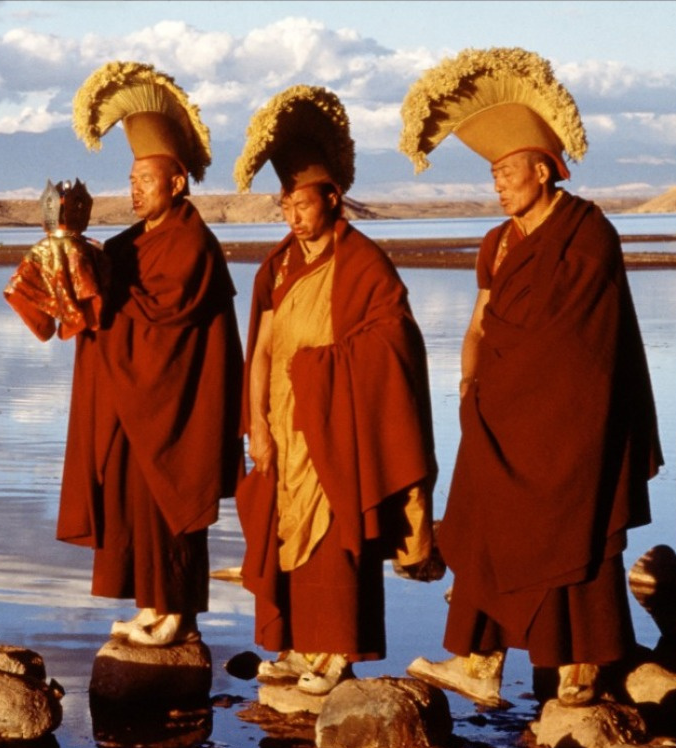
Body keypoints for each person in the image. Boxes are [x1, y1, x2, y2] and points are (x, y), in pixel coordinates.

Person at [398, 48, 663, 707]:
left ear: (543, 170)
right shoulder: (496, 242)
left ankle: (581, 668)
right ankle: (480, 662)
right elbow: (483, 321)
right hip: (497, 414)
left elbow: (584, 341)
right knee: (482, 523)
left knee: (575, 524)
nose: (499, 184)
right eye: (493, 174)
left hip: (569, 417)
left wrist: (540, 396)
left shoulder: (587, 233)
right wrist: (467, 388)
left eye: (508, 172)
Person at [233, 86, 439, 694]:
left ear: (333, 197)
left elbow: (397, 339)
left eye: (303, 203)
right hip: (284, 424)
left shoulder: (364, 263)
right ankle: (297, 646)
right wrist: (259, 424)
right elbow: (263, 349)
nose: (293, 216)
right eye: (284, 205)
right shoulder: (278, 267)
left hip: (337, 420)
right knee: (281, 533)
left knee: (334, 535)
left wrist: (327, 369)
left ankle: (336, 652)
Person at [59, 61, 244, 647]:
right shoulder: (131, 242)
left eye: (146, 177)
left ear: (178, 183)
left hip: (177, 405)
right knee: (132, 498)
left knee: (171, 498)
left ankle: (177, 611)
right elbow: (99, 291)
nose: (135, 188)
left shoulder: (192, 243)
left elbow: (163, 317)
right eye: (131, 177)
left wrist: (104, 288)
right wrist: (70, 250)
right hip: (136, 400)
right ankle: (149, 602)